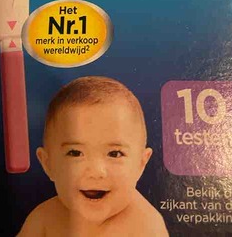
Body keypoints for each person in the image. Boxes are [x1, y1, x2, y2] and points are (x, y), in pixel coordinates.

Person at [18, 76, 169, 236]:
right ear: (48, 164)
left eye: (114, 154)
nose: (96, 172)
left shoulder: (146, 226)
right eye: (75, 153)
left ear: (141, 164)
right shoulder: (44, 218)